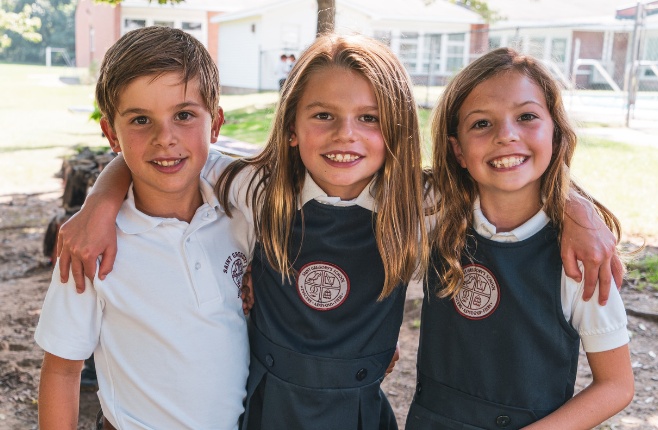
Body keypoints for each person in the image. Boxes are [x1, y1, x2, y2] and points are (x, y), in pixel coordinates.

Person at [55, 35, 620, 429]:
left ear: (395, 128)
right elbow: (166, 149)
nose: (345, 135)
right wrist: (99, 203)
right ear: (293, 127)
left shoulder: (417, 202)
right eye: (323, 115)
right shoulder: (256, 187)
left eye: (369, 118)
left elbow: (505, 172)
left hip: (358, 413)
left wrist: (578, 209)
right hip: (268, 409)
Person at [35, 26, 251, 429]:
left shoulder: (242, 212)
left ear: (216, 123)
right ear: (110, 134)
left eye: (184, 115)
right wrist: (101, 202)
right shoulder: (91, 247)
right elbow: (62, 369)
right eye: (140, 120)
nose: (164, 138)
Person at [405, 47, 634, 429]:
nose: (506, 136)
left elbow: (616, 384)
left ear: (556, 133)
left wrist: (576, 207)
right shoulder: (435, 213)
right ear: (457, 150)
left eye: (526, 116)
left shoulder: (579, 256)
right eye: (481, 123)